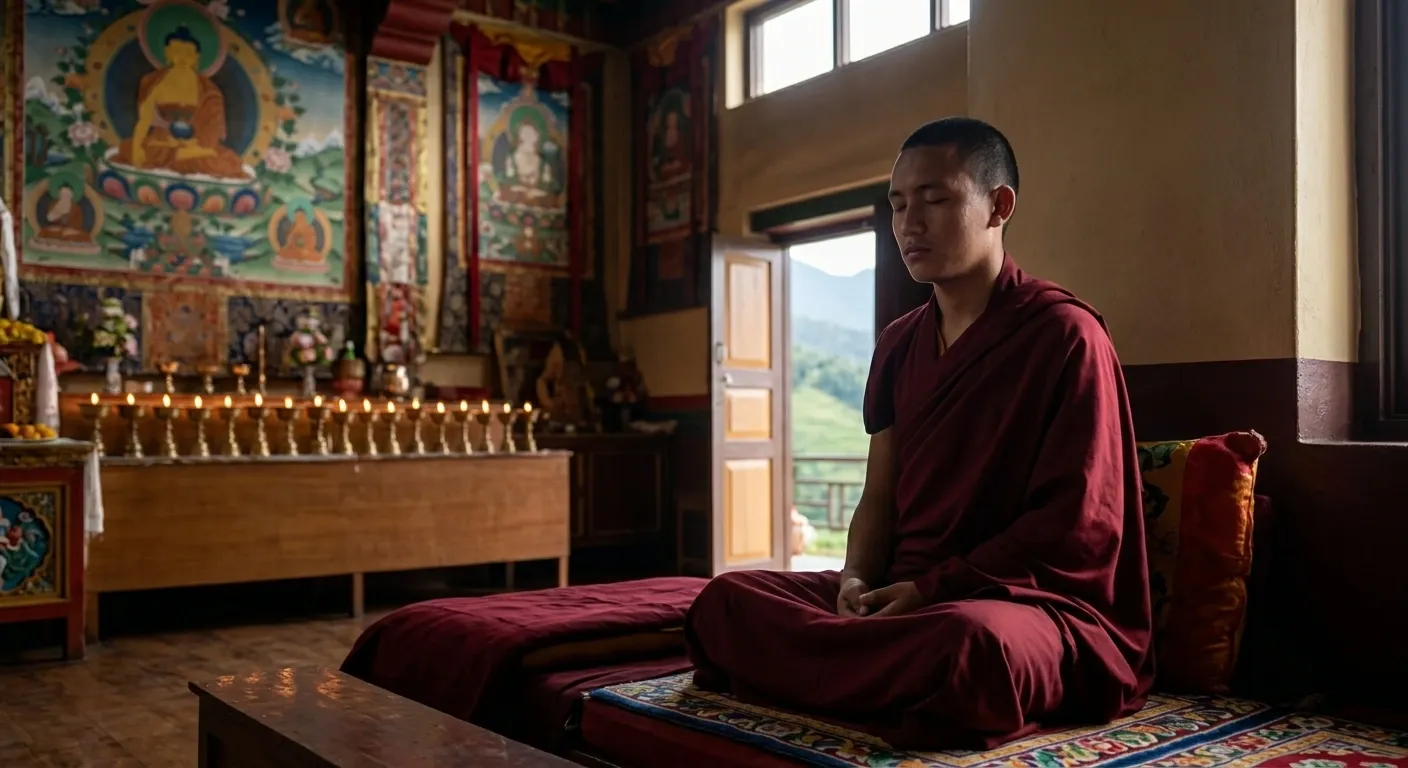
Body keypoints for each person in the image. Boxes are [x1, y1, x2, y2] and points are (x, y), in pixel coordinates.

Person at [684, 117, 1155, 750]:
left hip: (1015, 605)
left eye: (935, 200)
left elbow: (1078, 527)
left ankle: (848, 671)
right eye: (899, 204)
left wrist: (933, 589)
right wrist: (854, 579)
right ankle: (874, 671)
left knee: (968, 649)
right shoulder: (899, 343)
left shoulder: (1064, 336)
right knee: (728, 600)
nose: (910, 223)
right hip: (899, 596)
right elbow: (879, 495)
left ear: (999, 206)